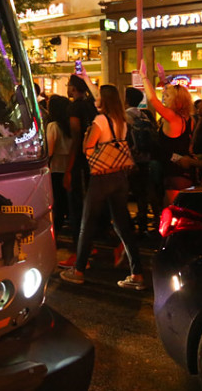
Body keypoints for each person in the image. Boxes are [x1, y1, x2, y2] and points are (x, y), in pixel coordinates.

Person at [59, 85, 144, 290]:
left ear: (103, 101)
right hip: (120, 176)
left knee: (87, 224)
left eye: (98, 97)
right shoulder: (122, 121)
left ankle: (78, 271)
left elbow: (88, 148)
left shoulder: (100, 120)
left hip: (101, 177)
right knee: (122, 224)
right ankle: (137, 273)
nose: (95, 100)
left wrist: (89, 134)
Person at [57, 74, 98, 269]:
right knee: (88, 207)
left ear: (73, 88)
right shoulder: (91, 105)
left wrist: (69, 168)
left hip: (80, 162)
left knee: (77, 209)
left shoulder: (74, 107)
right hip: (94, 162)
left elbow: (76, 137)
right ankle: (90, 245)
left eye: (69, 86)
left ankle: (81, 255)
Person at [140, 61, 194, 208]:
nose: (164, 97)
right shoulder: (188, 119)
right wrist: (164, 81)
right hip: (182, 168)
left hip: (169, 170)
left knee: (168, 212)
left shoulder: (171, 116)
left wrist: (144, 77)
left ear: (177, 101)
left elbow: (152, 99)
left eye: (167, 96)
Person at [124, 87, 157, 235]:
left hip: (131, 160)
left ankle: (129, 225)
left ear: (126, 100)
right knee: (142, 194)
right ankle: (143, 223)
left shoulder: (125, 116)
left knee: (125, 193)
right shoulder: (144, 116)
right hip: (146, 158)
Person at [46, 95, 72, 245]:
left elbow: (49, 151)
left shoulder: (53, 126)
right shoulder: (69, 125)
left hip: (55, 168)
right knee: (65, 202)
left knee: (57, 203)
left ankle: (55, 233)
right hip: (68, 167)